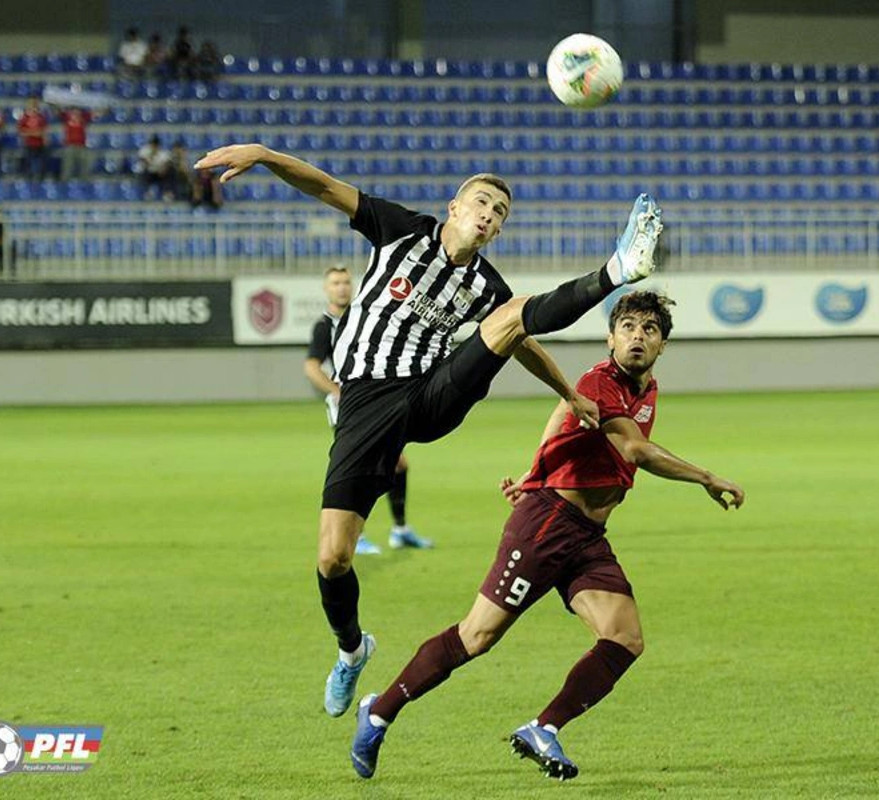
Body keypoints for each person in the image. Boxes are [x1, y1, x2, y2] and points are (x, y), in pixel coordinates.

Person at [193, 143, 664, 721]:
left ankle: (615, 271)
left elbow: (517, 334)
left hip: (431, 395)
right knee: (333, 557)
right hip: (366, 405)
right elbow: (323, 185)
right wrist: (265, 156)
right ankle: (351, 650)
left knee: (513, 312)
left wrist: (568, 393)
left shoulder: (484, 285)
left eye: (500, 213)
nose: (489, 215)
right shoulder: (400, 231)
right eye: (482, 203)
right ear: (454, 207)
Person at [347, 291, 745, 781]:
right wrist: (706, 477)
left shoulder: (646, 390)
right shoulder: (598, 382)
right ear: (609, 337)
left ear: (662, 345)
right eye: (628, 327)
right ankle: (380, 711)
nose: (637, 336)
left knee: (624, 638)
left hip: (587, 536)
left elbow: (560, 423)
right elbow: (635, 452)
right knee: (476, 637)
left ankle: (545, 728)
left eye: (649, 329)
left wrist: (533, 472)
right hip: (547, 526)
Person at [304, 266, 431, 555]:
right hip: (348, 409)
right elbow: (311, 366)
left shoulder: (360, 318)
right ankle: (353, 535)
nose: (342, 288)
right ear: (327, 289)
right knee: (359, 469)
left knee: (398, 464)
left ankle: (400, 530)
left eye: (346, 282)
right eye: (335, 283)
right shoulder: (325, 326)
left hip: (374, 404)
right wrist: (337, 391)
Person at [58, 106, 92, 182]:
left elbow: (97, 113)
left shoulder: (85, 118)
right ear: (70, 112)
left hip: (82, 145)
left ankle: (84, 183)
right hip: (69, 146)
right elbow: (57, 111)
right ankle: (65, 183)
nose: (76, 113)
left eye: (78, 111)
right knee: (67, 165)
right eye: (73, 111)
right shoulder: (66, 118)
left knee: (84, 166)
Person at [136, 135, 173, 200]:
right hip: (149, 172)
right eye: (153, 145)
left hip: (159, 174)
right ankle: (148, 193)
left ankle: (167, 193)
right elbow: (144, 161)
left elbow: (167, 163)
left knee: (169, 174)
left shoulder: (163, 153)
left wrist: (162, 169)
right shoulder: (145, 151)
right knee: (146, 173)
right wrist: (152, 156)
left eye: (156, 145)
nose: (154, 147)